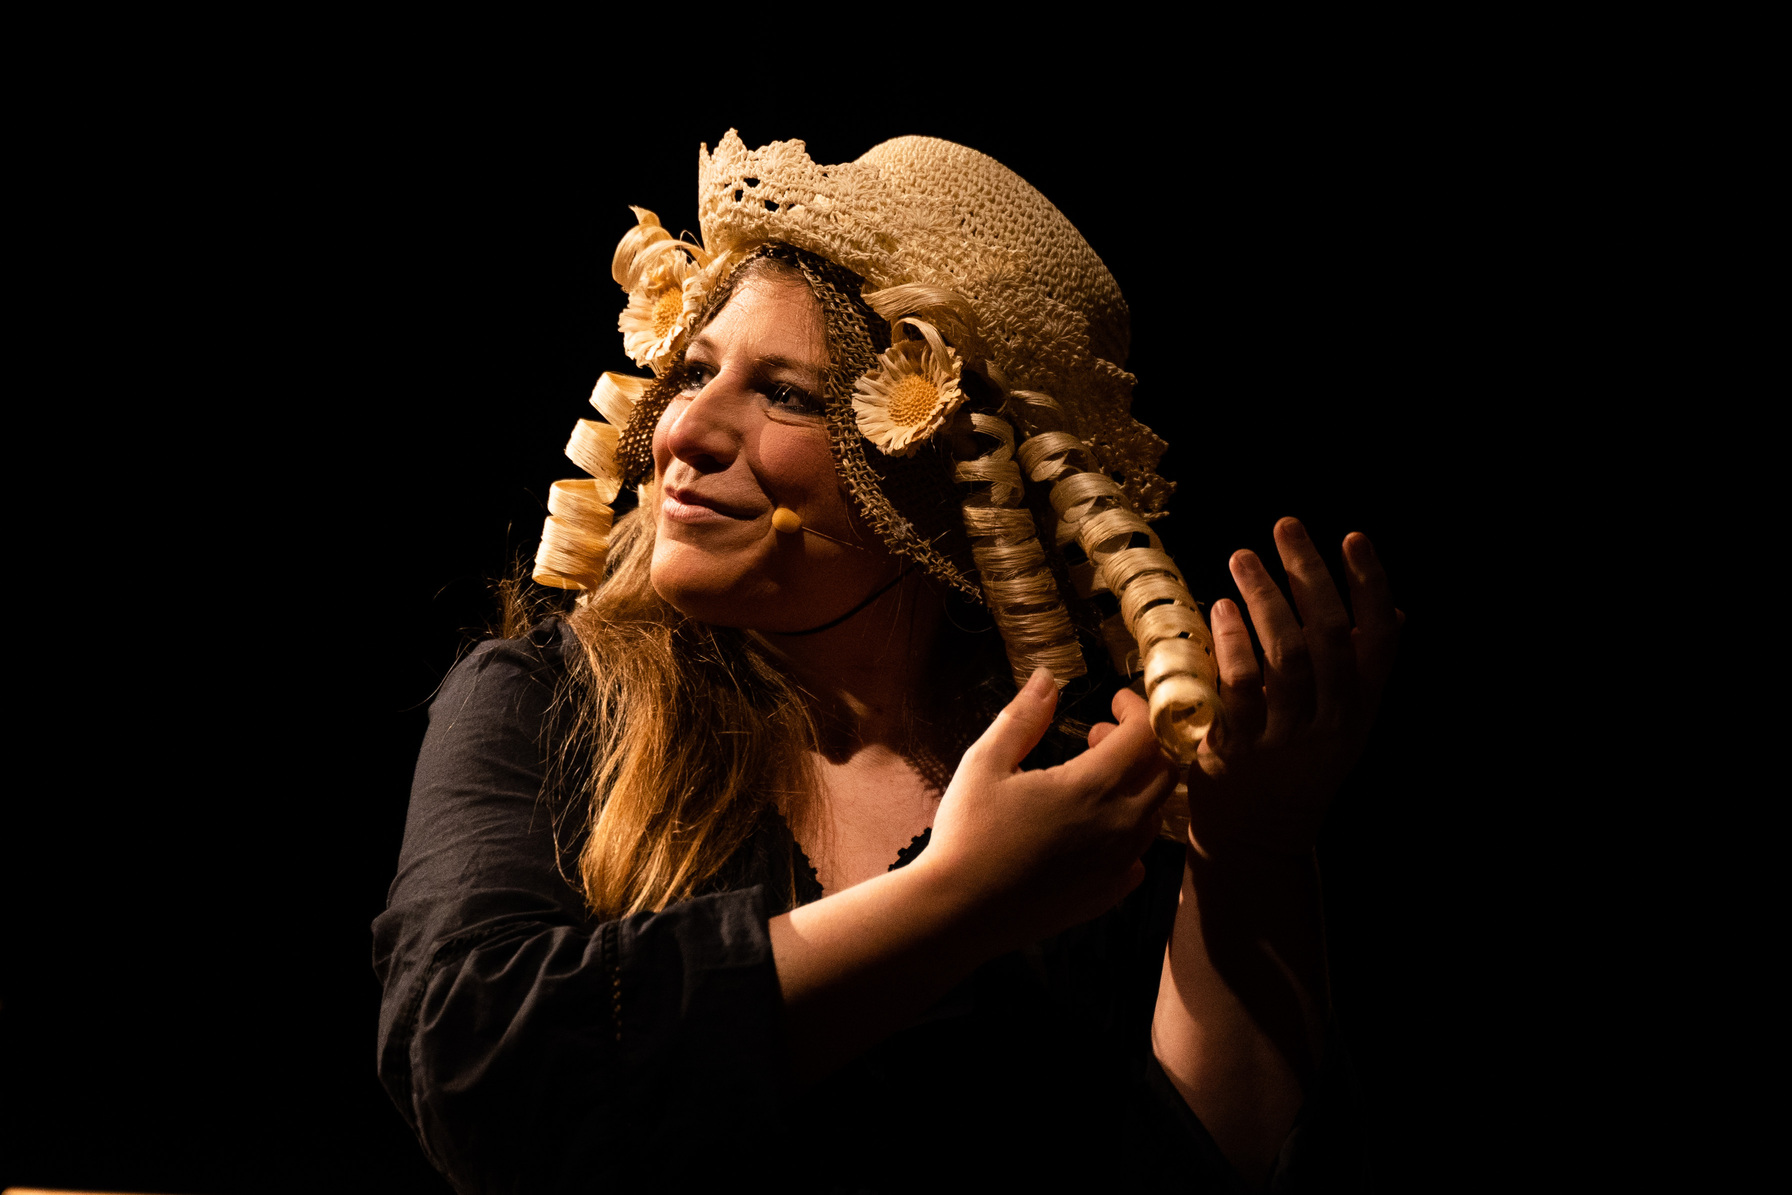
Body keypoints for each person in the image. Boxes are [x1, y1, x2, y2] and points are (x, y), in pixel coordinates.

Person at [374, 131, 1400, 1191]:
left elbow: (1214, 1175)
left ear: (947, 477)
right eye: (696, 370)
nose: (686, 432)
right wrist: (956, 900)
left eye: (788, 394)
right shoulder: (550, 703)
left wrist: (1255, 852)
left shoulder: (1082, 785)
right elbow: (477, 1071)